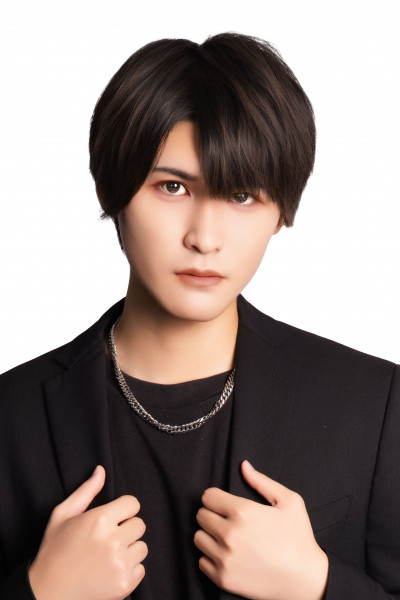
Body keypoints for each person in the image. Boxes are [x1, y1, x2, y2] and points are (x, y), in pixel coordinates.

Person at [0, 31, 399, 600]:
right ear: (113, 191)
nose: (205, 238)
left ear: (281, 211)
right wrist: (40, 592)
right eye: (172, 187)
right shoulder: (12, 417)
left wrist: (319, 584)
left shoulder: (375, 403)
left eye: (241, 196)